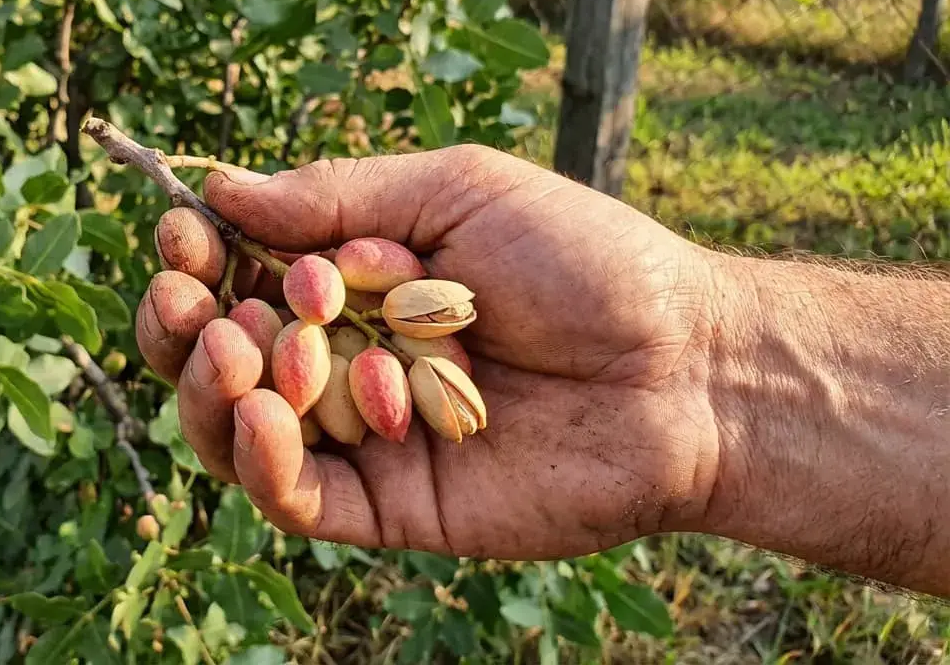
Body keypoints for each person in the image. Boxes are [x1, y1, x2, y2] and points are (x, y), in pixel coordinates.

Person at [134, 144, 950, 598]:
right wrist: (707, 365)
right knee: (234, 354)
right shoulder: (353, 310)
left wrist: (706, 357)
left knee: (247, 354)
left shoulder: (358, 302)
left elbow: (347, 334)